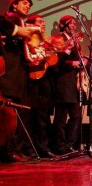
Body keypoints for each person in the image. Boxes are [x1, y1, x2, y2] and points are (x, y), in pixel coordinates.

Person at [0, 0, 37, 163]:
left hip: (18, 68)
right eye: (24, 3)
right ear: (14, 5)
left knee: (15, 110)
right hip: (11, 68)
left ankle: (13, 150)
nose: (27, 6)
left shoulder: (20, 22)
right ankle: (9, 151)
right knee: (10, 108)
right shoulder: (12, 18)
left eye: (29, 4)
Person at [52, 15, 87, 155]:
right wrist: (69, 55)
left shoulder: (77, 42)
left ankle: (69, 144)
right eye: (70, 23)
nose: (74, 25)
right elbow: (55, 61)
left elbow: (78, 59)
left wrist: (83, 62)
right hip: (63, 81)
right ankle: (59, 146)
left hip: (75, 82)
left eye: (74, 23)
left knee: (76, 116)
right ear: (63, 25)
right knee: (61, 117)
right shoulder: (57, 39)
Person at [25, 14, 58, 158]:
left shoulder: (46, 42)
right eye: (40, 22)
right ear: (30, 24)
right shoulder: (27, 40)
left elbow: (53, 63)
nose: (43, 24)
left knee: (43, 117)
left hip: (45, 82)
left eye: (44, 22)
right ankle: (29, 148)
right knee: (30, 117)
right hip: (31, 81)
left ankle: (43, 148)